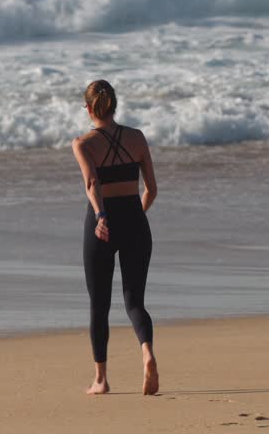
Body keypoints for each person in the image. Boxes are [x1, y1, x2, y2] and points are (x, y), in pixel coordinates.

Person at [71, 79, 159, 395]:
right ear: (114, 105)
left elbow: (92, 184)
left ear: (89, 108)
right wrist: (136, 217)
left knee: (99, 305)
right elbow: (152, 189)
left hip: (102, 227)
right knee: (135, 302)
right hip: (136, 222)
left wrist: (101, 216)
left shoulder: (83, 144)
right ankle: (147, 353)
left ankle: (101, 379)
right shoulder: (137, 138)